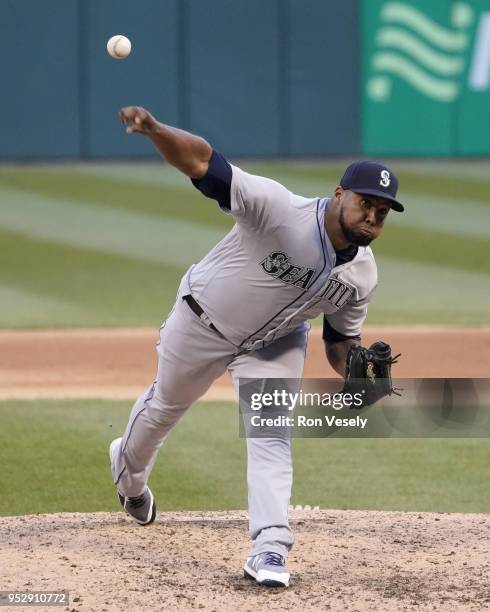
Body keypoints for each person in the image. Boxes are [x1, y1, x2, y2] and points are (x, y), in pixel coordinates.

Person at [109, 106, 404, 588]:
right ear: (339, 194)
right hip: (203, 321)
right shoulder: (278, 209)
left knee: (270, 433)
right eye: (365, 202)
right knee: (165, 407)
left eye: (382, 210)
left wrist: (357, 365)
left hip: (276, 341)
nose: (372, 214)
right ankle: (128, 476)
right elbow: (204, 163)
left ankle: (269, 547)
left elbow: (339, 339)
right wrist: (156, 130)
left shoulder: (363, 275)